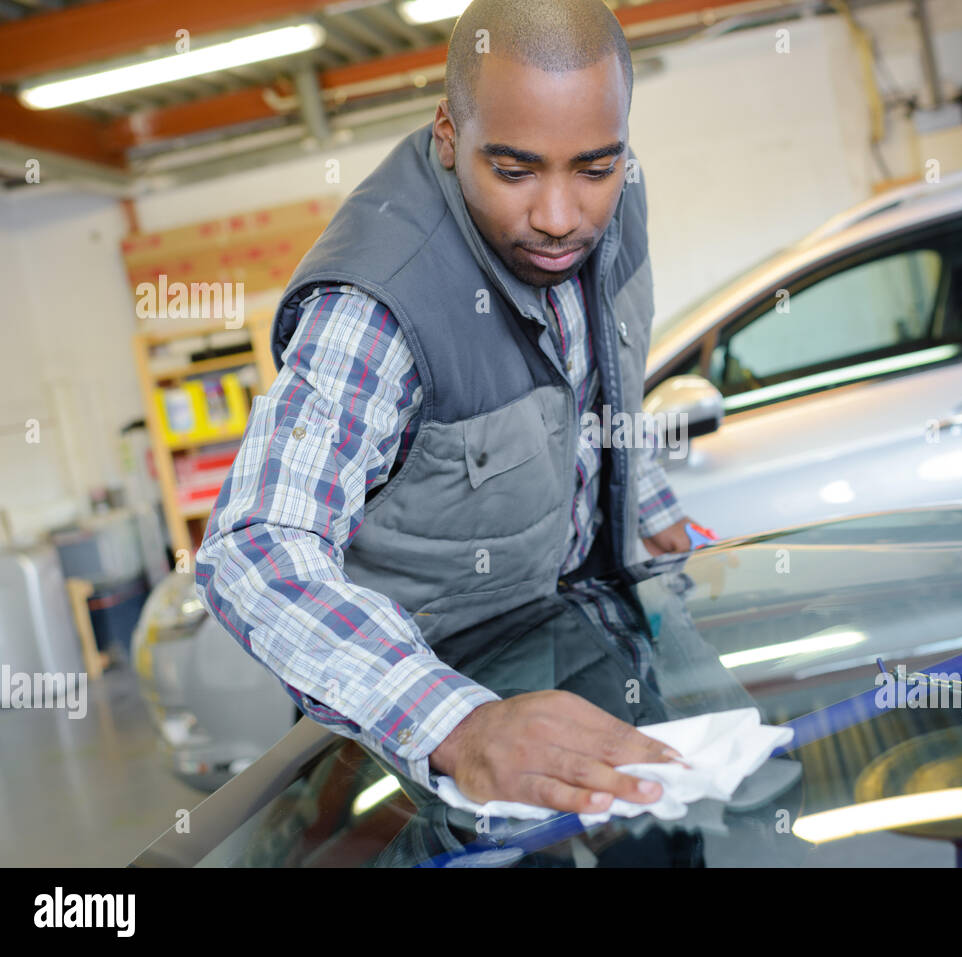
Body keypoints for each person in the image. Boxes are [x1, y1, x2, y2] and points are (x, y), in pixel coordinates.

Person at [196, 0, 708, 818]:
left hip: (579, 634)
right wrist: (459, 725)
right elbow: (254, 545)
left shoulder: (618, 198)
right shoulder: (379, 300)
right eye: (513, 170)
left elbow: (589, 376)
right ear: (447, 133)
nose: (557, 215)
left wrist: (642, 498)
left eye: (594, 167)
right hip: (418, 728)